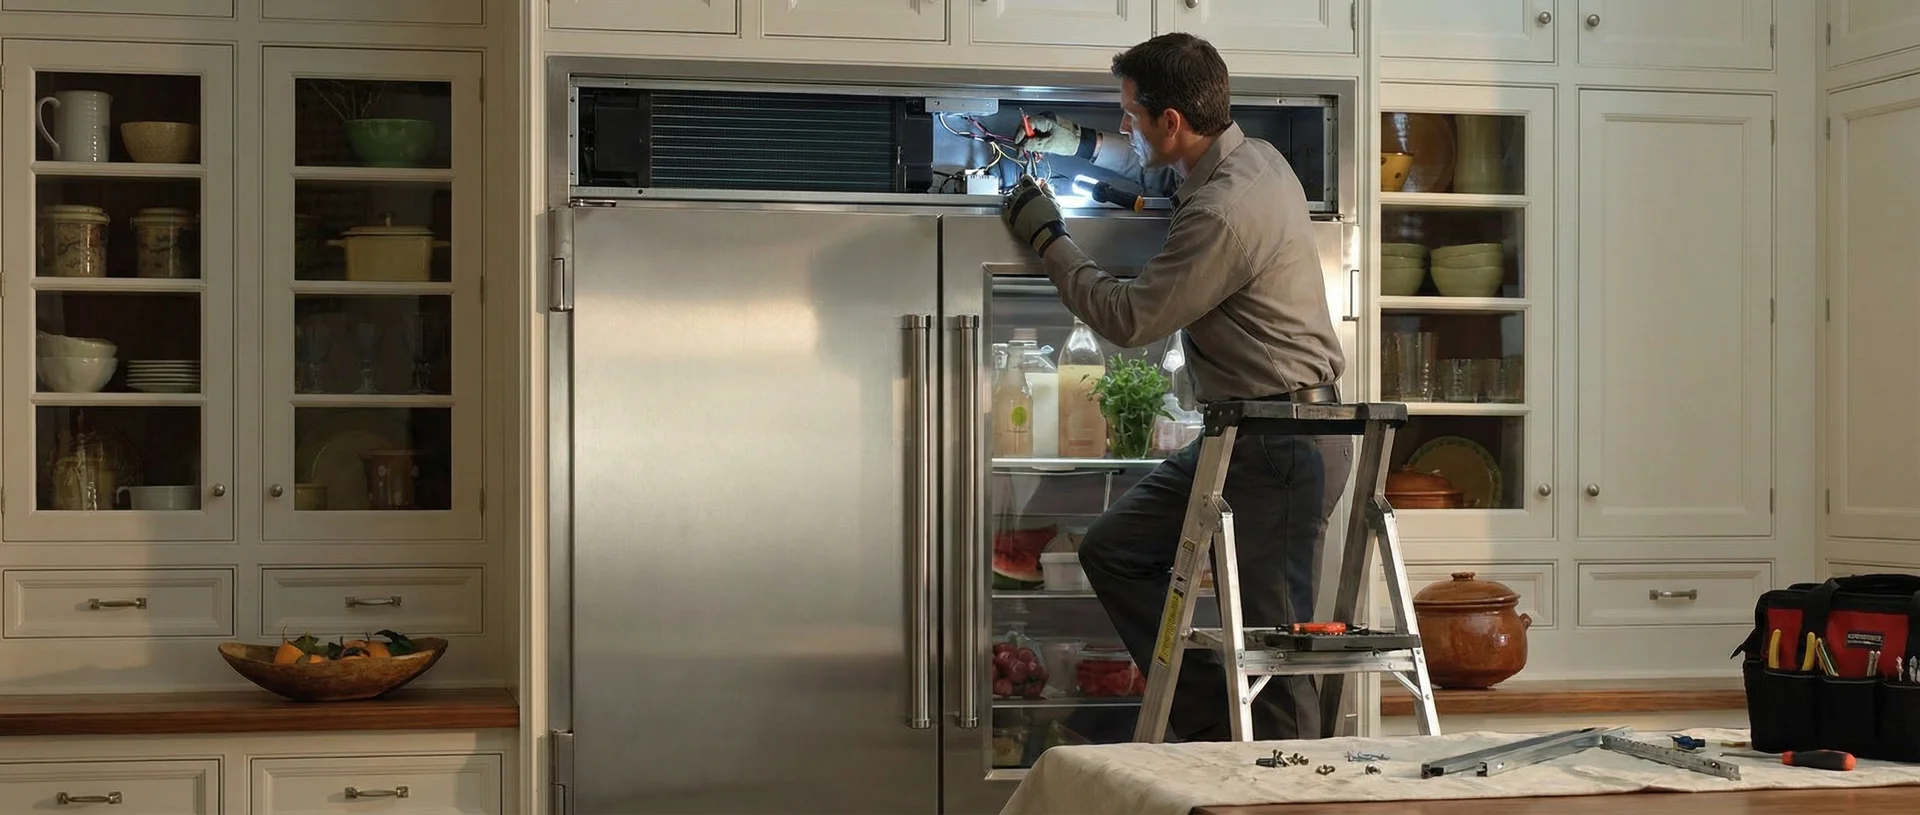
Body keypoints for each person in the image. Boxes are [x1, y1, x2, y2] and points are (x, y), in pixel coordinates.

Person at [1000, 32, 1353, 743]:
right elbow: (1161, 176)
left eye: (1131, 115)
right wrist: (1075, 142)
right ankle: (1213, 721)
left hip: (1281, 445)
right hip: (1245, 438)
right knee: (1114, 547)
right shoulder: (1253, 161)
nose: (1124, 126)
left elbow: (1129, 319)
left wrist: (1050, 241)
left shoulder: (1221, 212)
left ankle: (1291, 788)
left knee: (1275, 654)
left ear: (1172, 121)